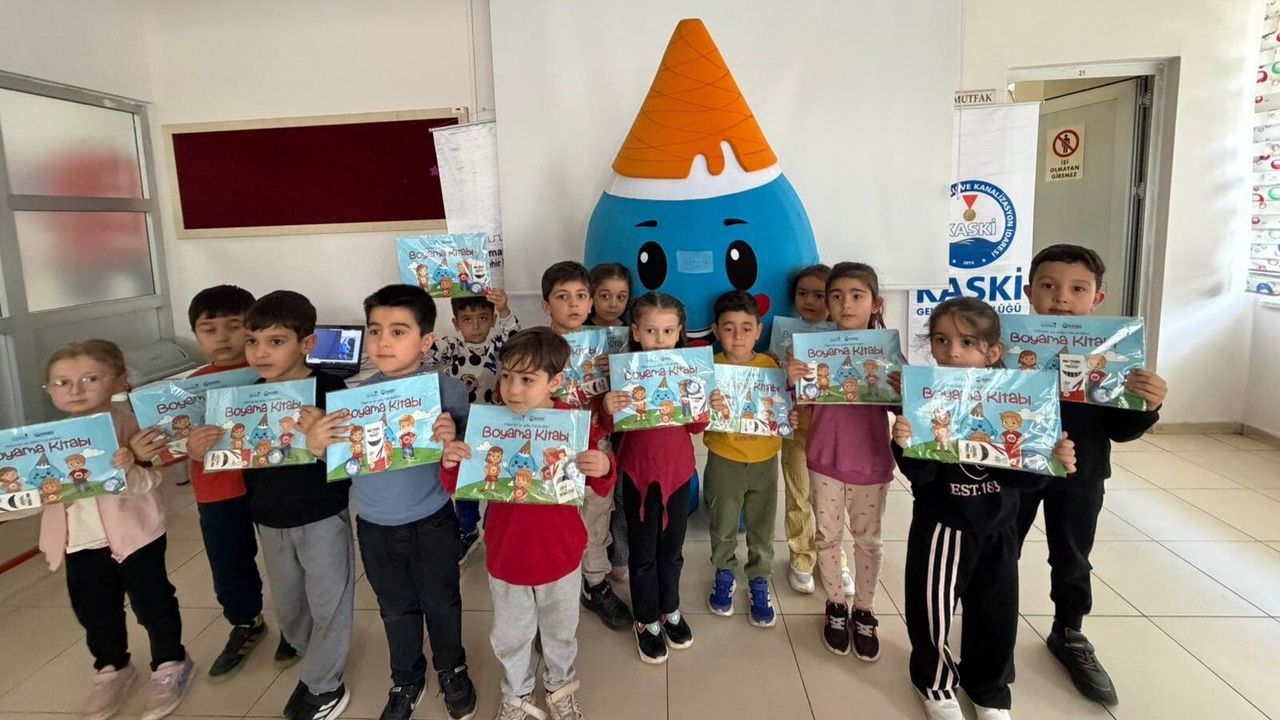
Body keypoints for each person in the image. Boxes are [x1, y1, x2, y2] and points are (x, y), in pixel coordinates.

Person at [892, 297, 1077, 720]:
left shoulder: (1017, 398)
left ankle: (989, 687)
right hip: (943, 527)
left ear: (993, 352)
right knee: (932, 611)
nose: (952, 352)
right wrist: (903, 442)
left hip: (999, 526)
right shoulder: (925, 397)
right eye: (941, 340)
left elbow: (1026, 481)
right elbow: (920, 476)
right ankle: (935, 682)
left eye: (967, 342)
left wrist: (1052, 460)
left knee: (996, 613)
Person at [304, 284, 477, 720]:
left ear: (426, 341)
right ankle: (406, 678)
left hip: (433, 520)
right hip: (374, 524)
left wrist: (453, 437)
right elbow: (343, 460)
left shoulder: (449, 391)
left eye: (398, 331)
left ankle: (452, 667)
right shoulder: (352, 400)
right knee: (395, 608)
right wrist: (318, 445)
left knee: (442, 601)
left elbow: (469, 453)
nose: (383, 341)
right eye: (375, 330)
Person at [188, 290, 353, 720]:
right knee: (289, 603)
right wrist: (200, 447)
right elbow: (229, 456)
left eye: (275, 341)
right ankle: (306, 650)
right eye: (253, 341)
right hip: (268, 517)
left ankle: (325, 685)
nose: (260, 352)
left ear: (307, 343)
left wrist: (320, 443)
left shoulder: (329, 389)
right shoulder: (245, 396)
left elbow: (351, 460)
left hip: (322, 515)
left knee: (329, 602)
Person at [11, 339, 195, 720]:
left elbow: (151, 482)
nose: (75, 390)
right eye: (61, 382)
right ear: (48, 389)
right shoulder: (45, 439)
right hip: (79, 541)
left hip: (137, 535)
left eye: (90, 378)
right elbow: (39, 495)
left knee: (153, 602)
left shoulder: (133, 426)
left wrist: (128, 468)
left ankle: (170, 662)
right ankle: (113, 667)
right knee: (94, 609)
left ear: (119, 381)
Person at [1016, 244, 1166, 706]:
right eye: (1048, 286)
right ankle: (988, 622)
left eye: (1077, 289)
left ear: (1097, 299)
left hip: (1081, 473)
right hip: (1015, 465)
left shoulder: (1112, 357)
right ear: (1029, 292)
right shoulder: (1007, 349)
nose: (1061, 297)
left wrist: (1148, 404)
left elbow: (1122, 431)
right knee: (997, 547)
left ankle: (1070, 632)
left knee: (1073, 554)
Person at [439, 328, 615, 720]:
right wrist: (451, 463)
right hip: (507, 557)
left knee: (560, 632)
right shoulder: (489, 424)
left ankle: (559, 685)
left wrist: (603, 466)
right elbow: (460, 484)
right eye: (506, 376)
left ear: (555, 382)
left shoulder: (574, 423)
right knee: (511, 634)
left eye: (527, 379)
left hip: (561, 555)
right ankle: (516, 692)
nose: (513, 389)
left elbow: (601, 482)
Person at [132, 285, 270, 681]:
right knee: (229, 563)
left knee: (289, 561)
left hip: (273, 486)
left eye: (234, 326)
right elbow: (166, 449)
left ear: (253, 327)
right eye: (209, 329)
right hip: (217, 491)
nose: (222, 337)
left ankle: (299, 626)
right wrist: (184, 448)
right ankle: (246, 622)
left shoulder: (272, 376)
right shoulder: (185, 390)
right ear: (196, 335)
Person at [785, 262, 896, 660]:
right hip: (824, 459)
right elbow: (797, 405)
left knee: (868, 540)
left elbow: (904, 409)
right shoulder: (814, 351)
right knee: (827, 537)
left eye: (856, 296)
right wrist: (792, 380)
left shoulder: (888, 353)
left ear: (876, 303)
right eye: (837, 297)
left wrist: (904, 391)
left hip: (871, 463)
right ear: (828, 305)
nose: (846, 305)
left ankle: (864, 609)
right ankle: (835, 605)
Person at [600, 292, 705, 664]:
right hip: (638, 474)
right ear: (635, 332)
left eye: (668, 331)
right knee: (643, 553)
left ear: (679, 333)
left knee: (672, 551)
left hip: (678, 473)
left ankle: (669, 608)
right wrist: (608, 408)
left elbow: (697, 426)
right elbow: (610, 426)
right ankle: (645, 618)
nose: (660, 339)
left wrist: (704, 403)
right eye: (651, 330)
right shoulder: (623, 373)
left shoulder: (688, 371)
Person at [541, 261, 633, 630]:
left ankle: (595, 585)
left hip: (597, 450)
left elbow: (615, 409)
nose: (574, 304)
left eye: (581, 296)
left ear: (591, 302)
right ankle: (551, 597)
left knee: (596, 521)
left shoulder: (606, 347)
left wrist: (610, 404)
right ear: (547, 305)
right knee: (553, 527)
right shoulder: (535, 348)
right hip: (551, 454)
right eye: (563, 297)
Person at [703, 290, 795, 628]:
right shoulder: (709, 368)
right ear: (716, 330)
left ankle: (759, 577)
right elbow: (694, 413)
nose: (737, 336)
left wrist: (790, 415)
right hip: (723, 457)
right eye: (728, 328)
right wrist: (705, 406)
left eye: (746, 328)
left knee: (762, 524)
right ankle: (724, 572)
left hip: (764, 459)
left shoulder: (772, 367)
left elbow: (787, 408)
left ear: (759, 330)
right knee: (723, 521)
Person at [775, 264, 854, 597]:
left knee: (832, 500)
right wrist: (786, 373)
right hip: (797, 428)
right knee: (799, 496)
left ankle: (835, 558)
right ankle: (802, 556)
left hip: (833, 432)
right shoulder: (784, 334)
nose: (809, 301)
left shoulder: (848, 338)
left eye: (819, 295)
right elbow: (772, 387)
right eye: (802, 293)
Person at [427, 287, 521, 562]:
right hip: (462, 430)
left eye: (483, 318)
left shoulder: (499, 347)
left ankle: (494, 525)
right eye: (467, 320)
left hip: (496, 428)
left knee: (495, 477)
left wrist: (503, 308)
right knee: (465, 483)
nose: (476, 326)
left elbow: (515, 336)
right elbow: (425, 352)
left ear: (492, 320)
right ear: (456, 323)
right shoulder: (451, 347)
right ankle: (467, 529)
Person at [587, 263, 633, 584]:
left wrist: (619, 368)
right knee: (594, 496)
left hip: (624, 428)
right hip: (591, 425)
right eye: (604, 295)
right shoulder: (578, 332)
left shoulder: (633, 332)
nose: (612, 304)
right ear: (591, 296)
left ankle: (619, 556)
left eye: (621, 296)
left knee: (619, 496)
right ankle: (590, 560)